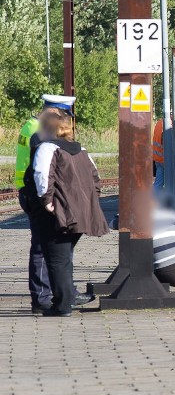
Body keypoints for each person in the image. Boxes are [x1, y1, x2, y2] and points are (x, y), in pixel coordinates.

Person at [24, 108, 109, 316]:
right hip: (80, 213)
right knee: (64, 258)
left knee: (57, 261)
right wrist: (88, 201)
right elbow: (96, 179)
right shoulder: (81, 150)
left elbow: (42, 177)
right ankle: (67, 298)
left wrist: (47, 202)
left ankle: (61, 305)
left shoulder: (47, 149)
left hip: (57, 213)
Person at [16, 95, 75, 312]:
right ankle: (43, 299)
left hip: (31, 190)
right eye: (66, 115)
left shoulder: (32, 125)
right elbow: (45, 167)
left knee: (49, 246)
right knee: (43, 247)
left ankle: (61, 292)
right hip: (38, 194)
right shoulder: (39, 130)